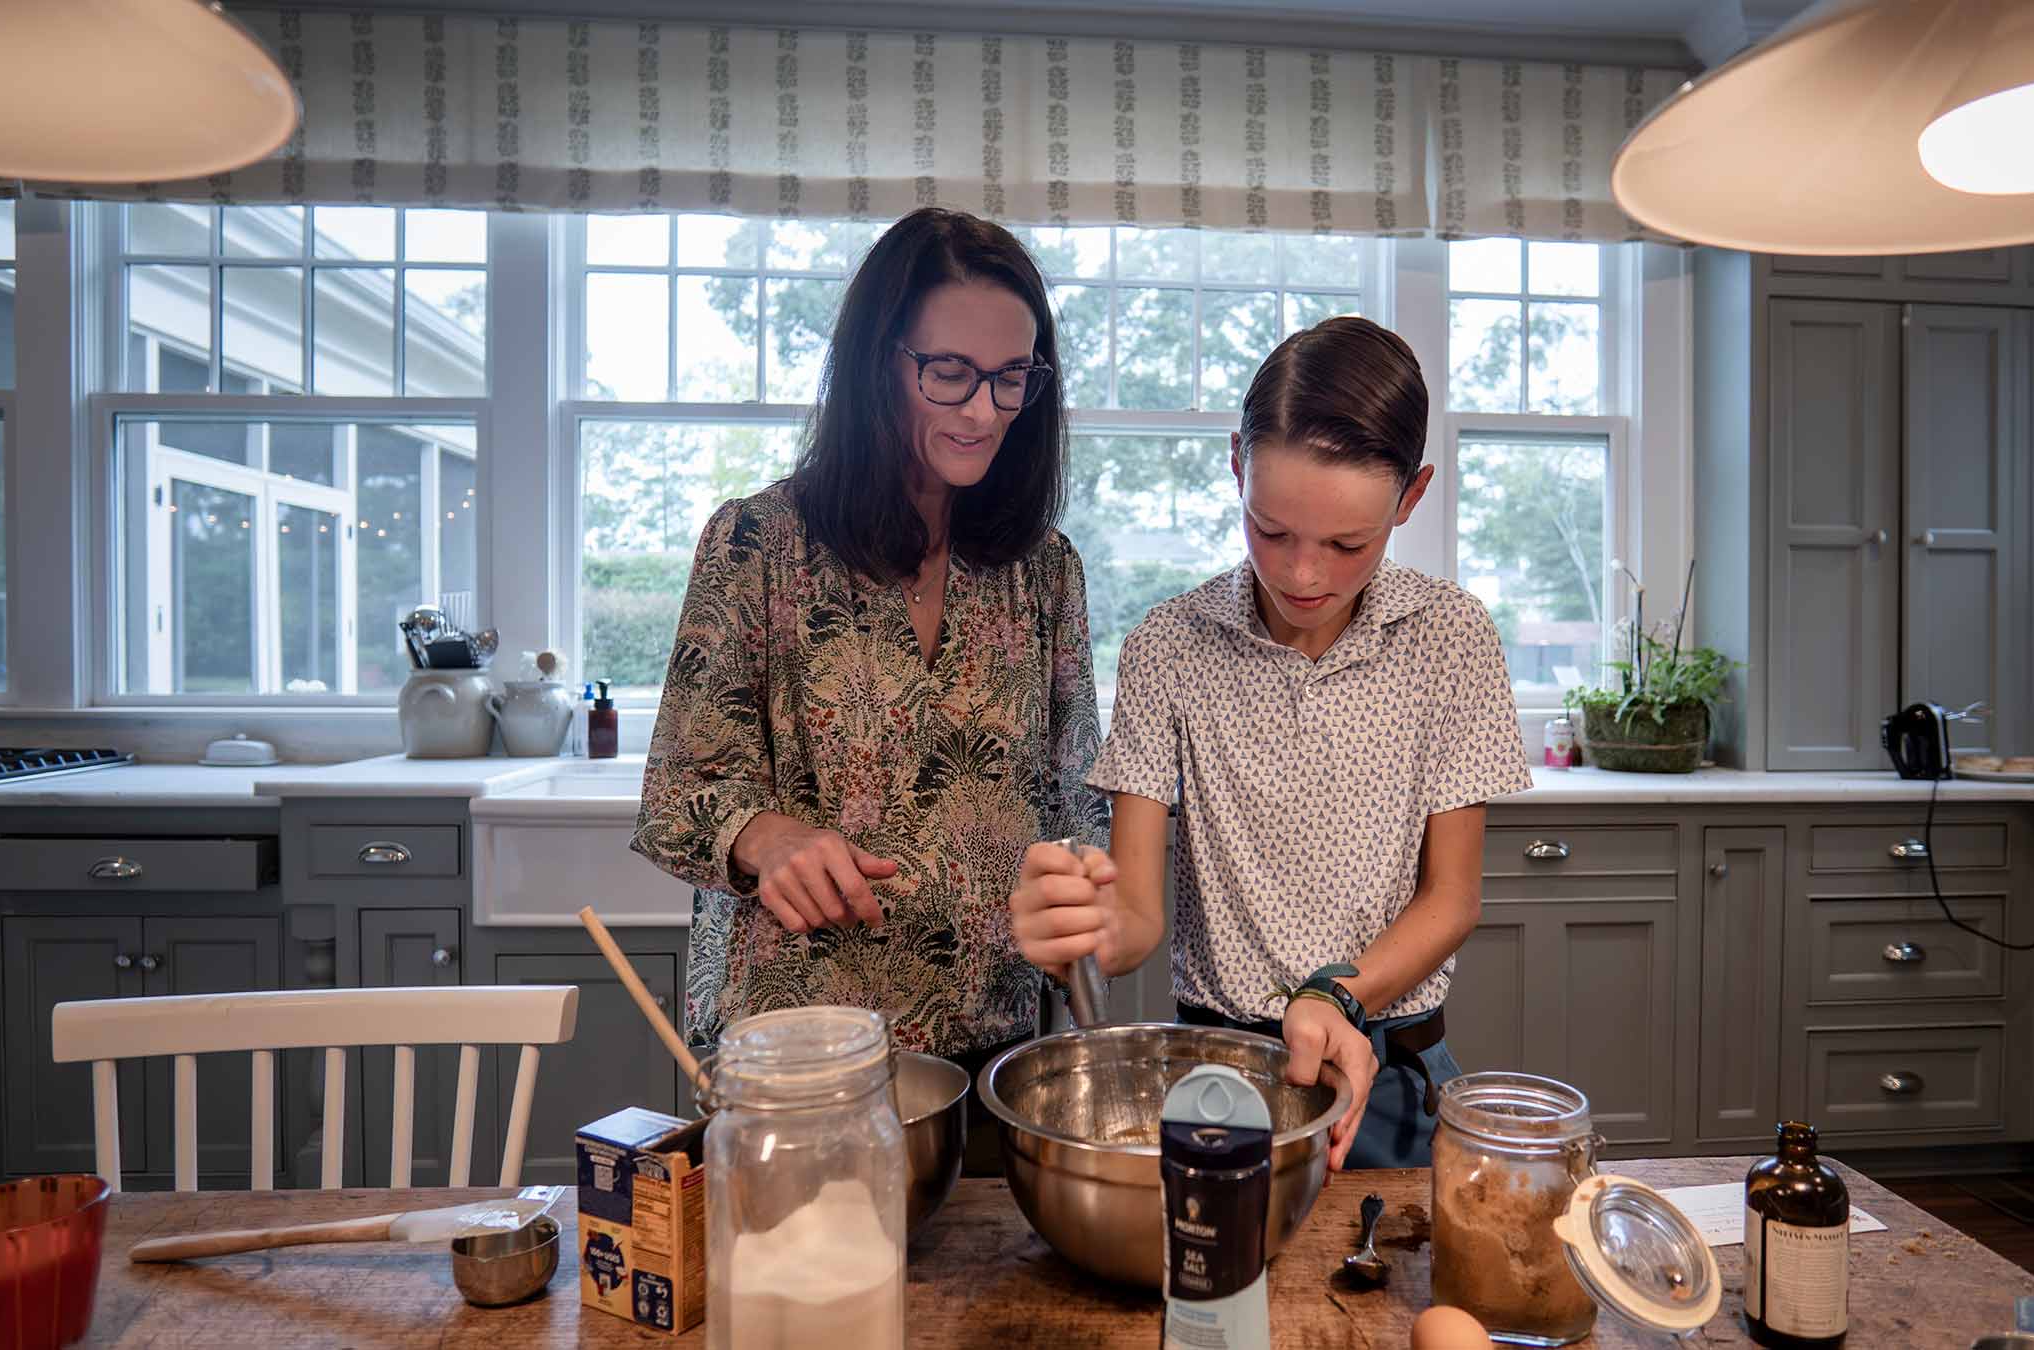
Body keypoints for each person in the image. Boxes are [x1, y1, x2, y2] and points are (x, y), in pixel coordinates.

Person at [1008, 316, 1532, 1169]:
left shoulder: (1452, 637)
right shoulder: (1168, 645)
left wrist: (1335, 994)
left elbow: (1452, 898)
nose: (1303, 575)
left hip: (1388, 1072)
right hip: (1214, 1079)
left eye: (1347, 543)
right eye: (1271, 530)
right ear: (1236, 466)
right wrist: (1085, 925)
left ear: (1412, 495)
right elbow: (1137, 915)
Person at [634, 208, 1106, 1111]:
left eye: (1012, 379)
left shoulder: (1045, 570)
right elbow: (675, 795)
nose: (983, 411)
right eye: (950, 373)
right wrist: (763, 836)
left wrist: (1086, 885)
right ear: (877, 364)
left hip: (999, 1044)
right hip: (802, 1049)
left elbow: (1075, 798)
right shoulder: (758, 545)